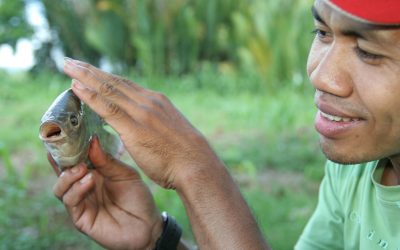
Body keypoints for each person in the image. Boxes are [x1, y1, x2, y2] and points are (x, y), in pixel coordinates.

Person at [49, 0, 400, 249]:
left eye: (368, 52)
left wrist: (196, 169)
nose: (322, 76)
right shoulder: (355, 173)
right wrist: (157, 240)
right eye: (322, 32)